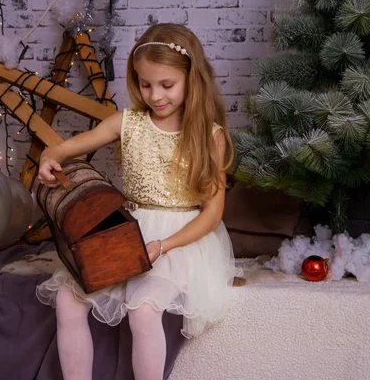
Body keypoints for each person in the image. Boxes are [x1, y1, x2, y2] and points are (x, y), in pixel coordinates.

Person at [36, 23, 240, 380]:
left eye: (167, 85)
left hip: (180, 242)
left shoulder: (209, 136)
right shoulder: (127, 122)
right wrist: (49, 157)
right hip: (127, 233)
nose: (155, 95)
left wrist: (164, 245)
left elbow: (212, 213)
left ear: (192, 80)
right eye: (145, 85)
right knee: (69, 301)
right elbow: (67, 147)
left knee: (143, 309)